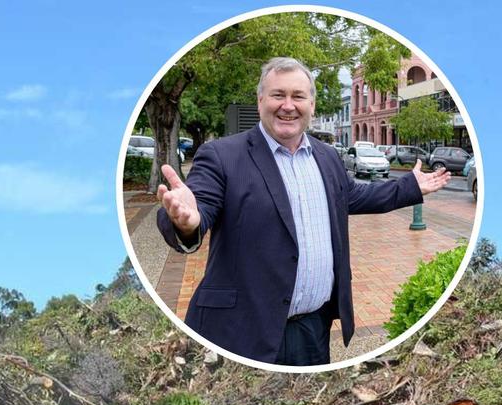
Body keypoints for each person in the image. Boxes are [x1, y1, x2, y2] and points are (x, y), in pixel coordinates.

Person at [156, 57, 450, 366]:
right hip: (241, 332)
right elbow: (198, 205)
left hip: (313, 329)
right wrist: (188, 222)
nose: (288, 105)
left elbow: (354, 196)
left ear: (311, 104)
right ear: (260, 101)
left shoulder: (326, 157)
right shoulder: (222, 155)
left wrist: (411, 187)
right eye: (277, 95)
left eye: (298, 96)